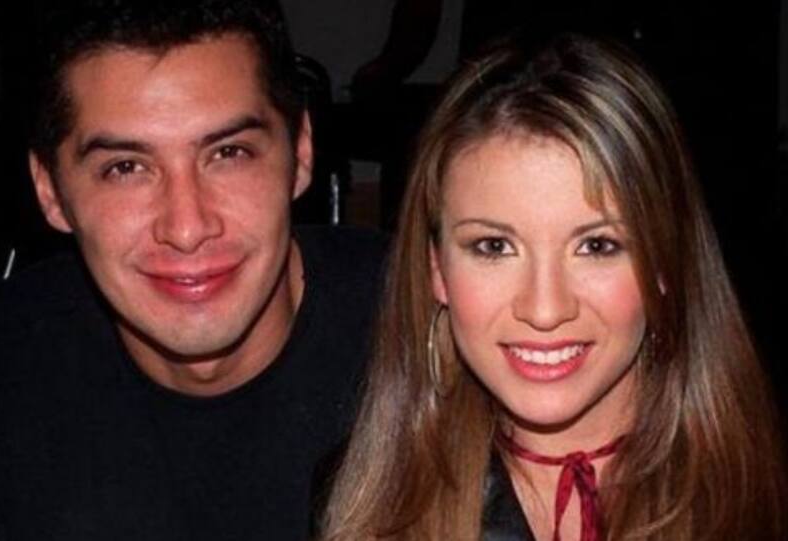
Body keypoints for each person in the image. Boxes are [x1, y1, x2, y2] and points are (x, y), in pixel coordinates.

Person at [320, 34, 786, 540]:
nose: (544, 309)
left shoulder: (767, 497)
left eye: (597, 246)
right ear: (436, 268)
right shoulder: (360, 505)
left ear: (664, 264)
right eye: (494, 246)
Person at [0, 1, 384, 540]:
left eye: (229, 153)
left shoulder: (440, 337)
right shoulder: (4, 375)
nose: (187, 227)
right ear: (50, 191)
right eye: (126, 168)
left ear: (301, 153)